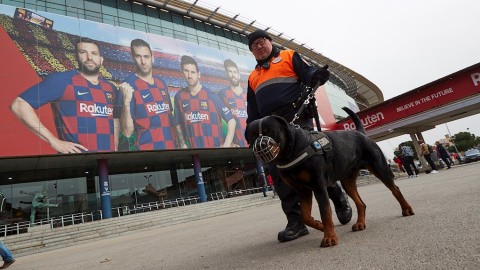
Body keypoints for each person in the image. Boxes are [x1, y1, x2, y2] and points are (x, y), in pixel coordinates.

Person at [245, 30, 352, 242]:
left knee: (313, 164)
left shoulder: (287, 56)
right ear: (252, 52)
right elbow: (253, 111)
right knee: (277, 172)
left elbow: (308, 74)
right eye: (254, 45)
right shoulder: (252, 77)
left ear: (270, 42)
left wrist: (316, 76)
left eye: (261, 41)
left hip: (297, 119)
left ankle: (338, 198)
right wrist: (250, 131)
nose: (259, 46)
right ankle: (296, 222)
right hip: (271, 129)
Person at [10, 37, 119, 153]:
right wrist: (53, 140)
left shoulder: (111, 88)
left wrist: (115, 146)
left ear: (101, 60)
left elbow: (115, 117)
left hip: (105, 160)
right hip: (76, 161)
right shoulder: (61, 80)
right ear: (75, 57)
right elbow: (19, 105)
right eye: (83, 52)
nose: (90, 57)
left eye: (94, 53)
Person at [117, 39, 177, 150]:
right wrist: (126, 103)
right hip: (148, 151)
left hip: (171, 148)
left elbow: (170, 118)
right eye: (138, 56)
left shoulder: (161, 82)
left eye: (146, 57)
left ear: (152, 58)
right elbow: (127, 132)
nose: (143, 61)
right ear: (132, 57)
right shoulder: (128, 85)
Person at [174, 55, 236, 148]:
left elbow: (232, 121)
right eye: (186, 71)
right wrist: (182, 144)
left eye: (193, 72)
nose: (190, 76)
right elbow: (178, 123)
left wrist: (226, 145)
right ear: (182, 72)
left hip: (215, 151)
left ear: (199, 74)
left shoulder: (211, 96)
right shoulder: (179, 96)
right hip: (195, 152)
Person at [218, 59, 248, 147]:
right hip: (236, 145)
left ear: (239, 75)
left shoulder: (248, 94)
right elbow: (217, 122)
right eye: (230, 72)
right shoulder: (222, 94)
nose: (233, 75)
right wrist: (228, 142)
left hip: (252, 143)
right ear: (227, 74)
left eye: (235, 72)